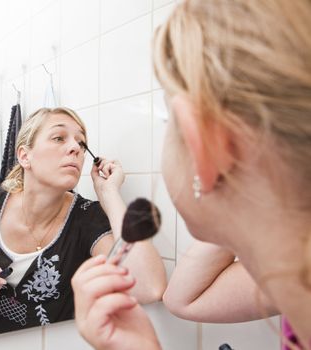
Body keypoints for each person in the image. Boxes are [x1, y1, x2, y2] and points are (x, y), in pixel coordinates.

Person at [72, 0, 311, 349]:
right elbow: (183, 299)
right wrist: (235, 203)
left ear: (203, 143)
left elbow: (168, 293)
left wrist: (226, 189)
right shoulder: (292, 272)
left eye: (169, 122)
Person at [0, 107, 166, 339]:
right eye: (59, 138)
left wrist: (110, 195)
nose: (75, 148)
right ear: (24, 156)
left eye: (81, 143)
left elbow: (149, 288)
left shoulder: (87, 217)